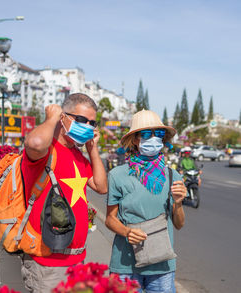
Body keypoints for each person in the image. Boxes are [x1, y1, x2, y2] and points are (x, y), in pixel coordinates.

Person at [21, 93, 108, 293]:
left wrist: (92, 148)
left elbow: (101, 187)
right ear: (63, 117)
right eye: (80, 120)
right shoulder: (46, 150)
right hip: (47, 263)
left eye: (92, 123)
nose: (87, 125)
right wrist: (51, 118)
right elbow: (33, 143)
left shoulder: (78, 155)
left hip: (77, 260)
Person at [105, 109, 187, 293]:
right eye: (145, 134)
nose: (153, 139)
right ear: (135, 139)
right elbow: (110, 219)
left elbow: (179, 224)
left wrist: (179, 203)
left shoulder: (173, 175)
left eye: (158, 134)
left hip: (162, 266)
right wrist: (127, 232)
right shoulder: (118, 175)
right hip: (125, 265)